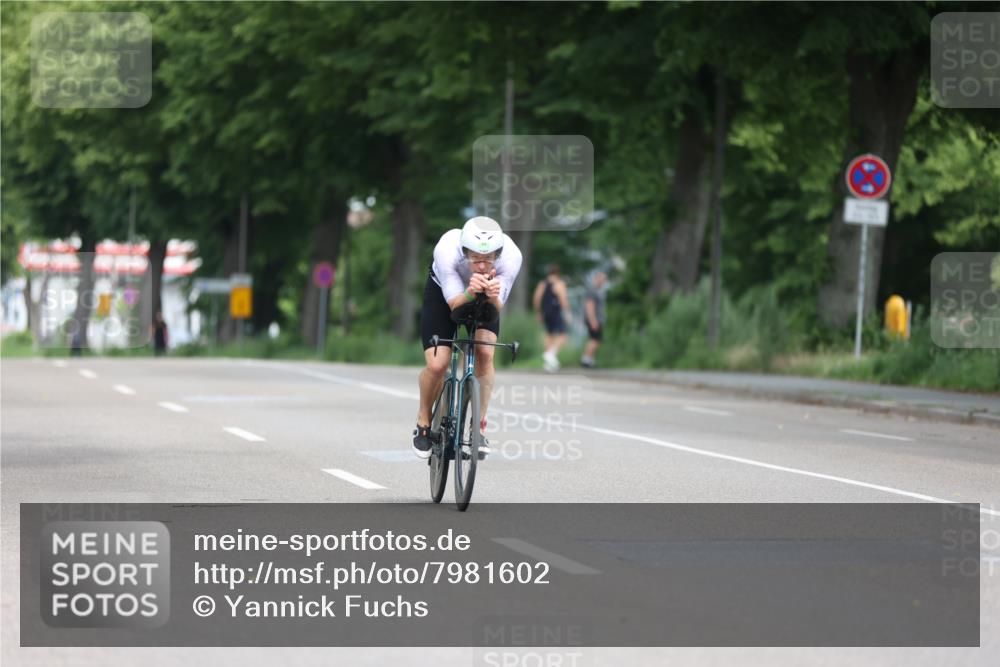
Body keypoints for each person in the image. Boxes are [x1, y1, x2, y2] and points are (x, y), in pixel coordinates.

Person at [412, 216, 522, 459]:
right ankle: (423, 421)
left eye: (488, 258)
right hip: (446, 295)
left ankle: (478, 428)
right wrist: (470, 291)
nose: (482, 265)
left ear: (499, 254)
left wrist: (491, 295)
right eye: (475, 258)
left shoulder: (512, 256)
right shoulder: (446, 250)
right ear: (464, 252)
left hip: (484, 294)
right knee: (438, 364)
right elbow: (454, 306)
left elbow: (496, 308)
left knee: (485, 353)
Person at [532, 263, 570, 372]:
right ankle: (550, 354)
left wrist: (538, 312)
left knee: (549, 335)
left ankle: (549, 363)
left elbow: (536, 299)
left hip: (546, 313)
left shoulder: (543, 284)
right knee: (563, 334)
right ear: (558, 273)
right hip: (556, 312)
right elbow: (563, 299)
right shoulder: (559, 283)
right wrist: (567, 312)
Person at [581, 271, 607, 368]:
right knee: (594, 340)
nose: (604, 281)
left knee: (596, 340)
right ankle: (586, 360)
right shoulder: (593, 291)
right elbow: (589, 306)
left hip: (598, 319)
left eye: (605, 279)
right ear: (597, 278)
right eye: (602, 278)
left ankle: (590, 360)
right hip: (594, 319)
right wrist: (593, 320)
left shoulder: (600, 291)